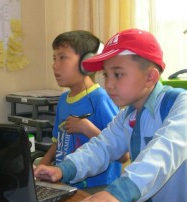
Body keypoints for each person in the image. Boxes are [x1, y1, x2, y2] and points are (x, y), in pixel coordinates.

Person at [34, 28, 187, 202]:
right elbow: (101, 147)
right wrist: (63, 169)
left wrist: (120, 192)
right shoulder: (127, 114)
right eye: (106, 75)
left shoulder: (183, 103)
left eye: (118, 75)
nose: (108, 84)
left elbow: (164, 150)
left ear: (150, 78)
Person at [39, 30, 128, 191]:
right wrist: (42, 166)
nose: (54, 65)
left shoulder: (100, 99)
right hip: (66, 183)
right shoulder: (63, 100)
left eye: (62, 57)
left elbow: (123, 155)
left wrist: (87, 128)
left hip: (98, 188)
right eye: (54, 58)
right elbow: (57, 142)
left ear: (86, 62)